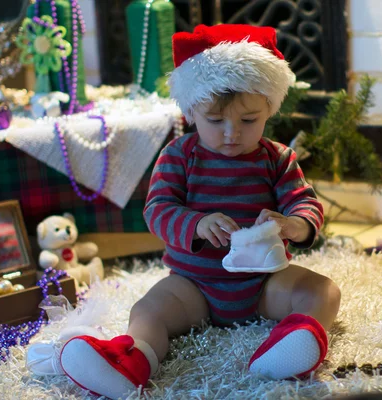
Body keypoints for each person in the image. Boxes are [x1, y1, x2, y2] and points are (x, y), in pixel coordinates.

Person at [59, 24, 341, 399]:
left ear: (268, 110)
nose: (231, 133)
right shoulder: (179, 155)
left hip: (264, 284)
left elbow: (304, 202)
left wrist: (293, 224)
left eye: (248, 120)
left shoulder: (278, 158)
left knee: (323, 291)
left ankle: (295, 340)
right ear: (191, 111)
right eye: (215, 120)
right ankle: (133, 361)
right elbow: (157, 209)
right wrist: (196, 223)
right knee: (148, 311)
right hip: (194, 285)